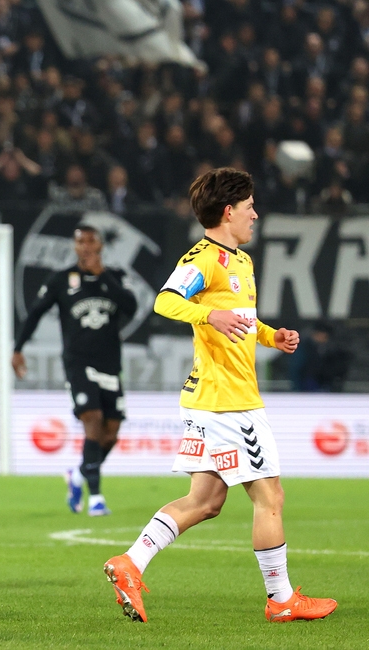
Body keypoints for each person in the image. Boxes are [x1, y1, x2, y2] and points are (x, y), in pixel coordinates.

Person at [103, 167, 337, 623]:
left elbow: (242, 321)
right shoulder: (204, 258)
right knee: (270, 497)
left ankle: (131, 562)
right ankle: (281, 599)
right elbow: (165, 302)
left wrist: (272, 336)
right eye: (250, 207)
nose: (256, 215)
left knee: (205, 502)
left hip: (212, 402)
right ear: (228, 212)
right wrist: (209, 317)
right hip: (229, 402)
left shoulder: (242, 262)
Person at [12, 226, 136, 516]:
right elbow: (35, 313)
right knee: (92, 421)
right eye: (80, 241)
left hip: (110, 365)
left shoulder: (115, 276)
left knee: (111, 434)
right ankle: (95, 497)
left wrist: (102, 274)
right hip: (78, 363)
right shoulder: (61, 280)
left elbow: (131, 306)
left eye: (91, 240)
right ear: (75, 246)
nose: (86, 246)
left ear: (101, 245)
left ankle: (79, 474)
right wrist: (18, 348)